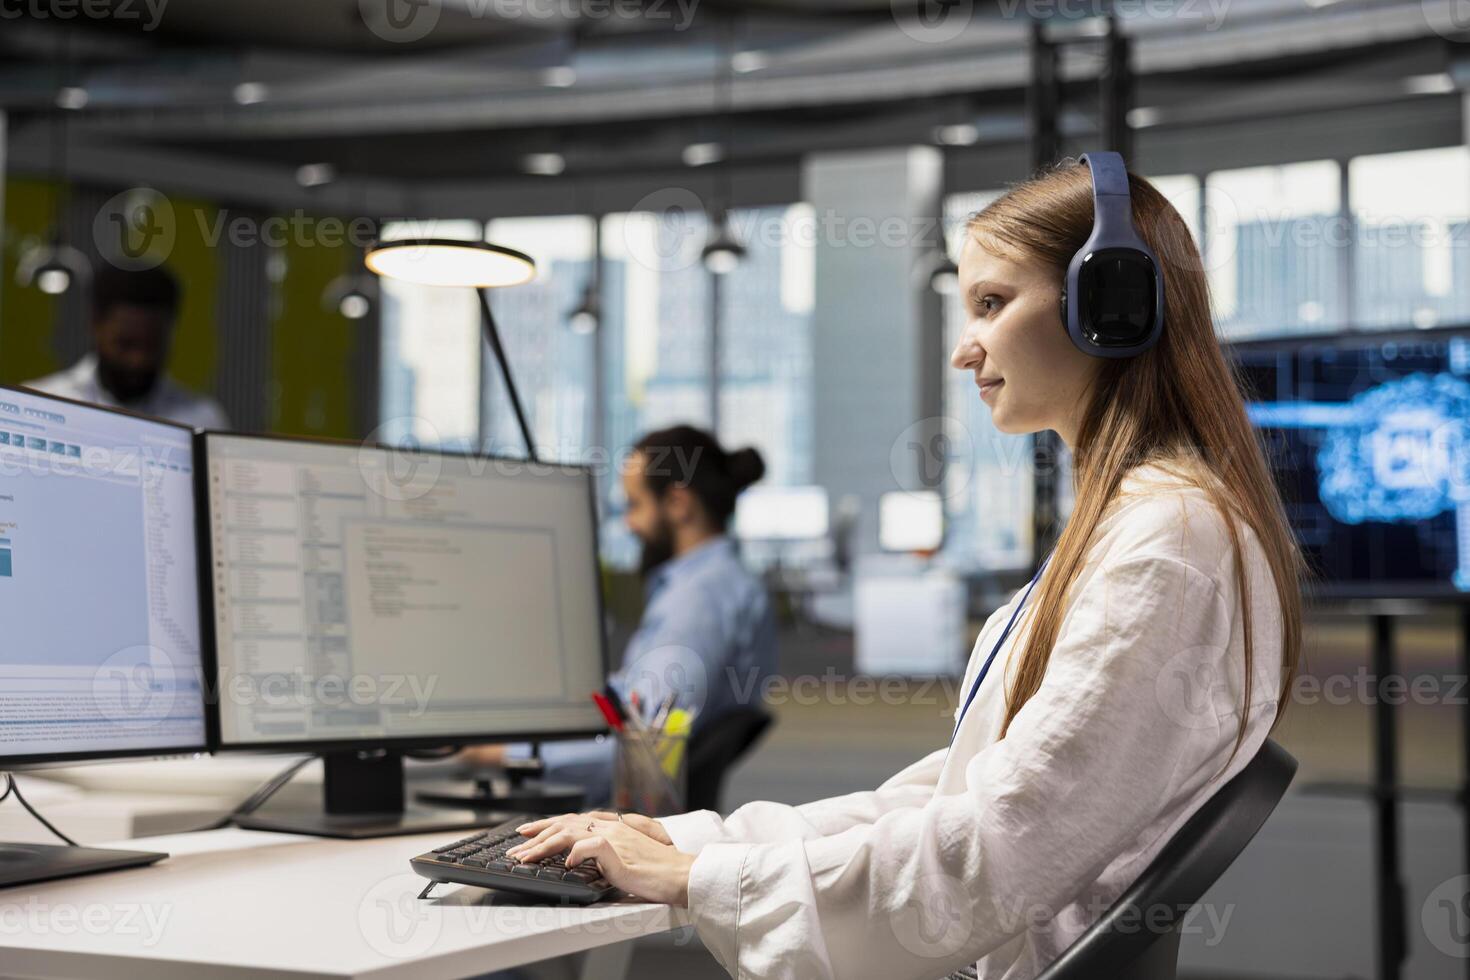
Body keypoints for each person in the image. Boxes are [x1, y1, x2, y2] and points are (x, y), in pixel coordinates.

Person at [502, 156, 1304, 980]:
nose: (966, 350)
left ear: (1109, 305)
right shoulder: (1140, 527)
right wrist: (694, 842)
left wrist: (696, 877)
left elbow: (997, 850)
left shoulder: (1168, 539)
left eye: (992, 304)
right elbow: (951, 803)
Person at [461, 425, 778, 805]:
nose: (629, 523)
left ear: (678, 503)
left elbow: (642, 744)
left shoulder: (698, 602)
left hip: (635, 816)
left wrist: (498, 753)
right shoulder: (727, 584)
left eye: (635, 504)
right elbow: (635, 707)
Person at [25, 264, 229, 430]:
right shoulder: (39, 405)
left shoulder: (202, 420)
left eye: (151, 345)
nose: (137, 360)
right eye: (125, 344)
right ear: (95, 325)